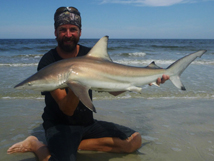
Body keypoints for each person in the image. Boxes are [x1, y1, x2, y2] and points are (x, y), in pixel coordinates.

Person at [7, 6, 169, 161]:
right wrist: (76, 80)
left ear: (80, 32)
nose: (68, 34)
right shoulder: (48, 62)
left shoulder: (90, 55)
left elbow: (113, 90)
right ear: (55, 32)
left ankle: (73, 145)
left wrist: (146, 79)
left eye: (73, 29)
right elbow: (67, 109)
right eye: (63, 30)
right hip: (59, 125)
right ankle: (36, 144)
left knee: (134, 141)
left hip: (87, 123)